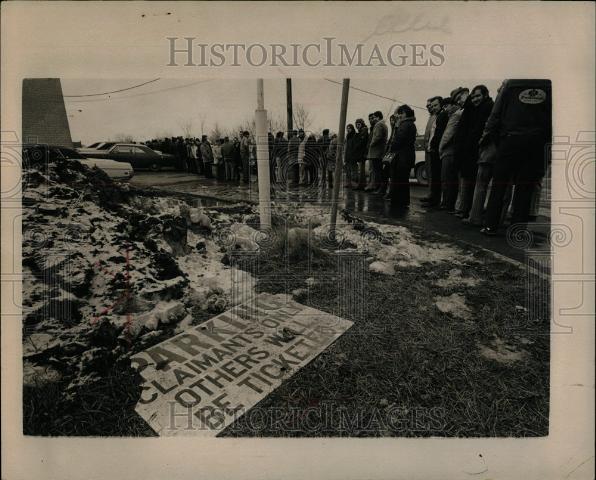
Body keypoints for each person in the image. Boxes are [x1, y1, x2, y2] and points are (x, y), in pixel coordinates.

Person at [480, 79, 552, 235]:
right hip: (537, 143)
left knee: (499, 185)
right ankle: (517, 230)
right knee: (525, 188)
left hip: (510, 140)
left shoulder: (510, 85)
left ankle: (491, 225)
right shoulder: (549, 86)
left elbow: (495, 116)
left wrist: (497, 140)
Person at [455, 85, 494, 220]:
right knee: (469, 181)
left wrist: (474, 144)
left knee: (472, 183)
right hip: (470, 150)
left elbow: (478, 130)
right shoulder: (474, 108)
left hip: (475, 150)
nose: (475, 99)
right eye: (473, 97)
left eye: (478, 96)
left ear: (485, 95)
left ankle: (467, 211)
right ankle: (465, 210)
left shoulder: (485, 108)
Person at [388, 105, 417, 206]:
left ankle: (398, 203)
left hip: (402, 157)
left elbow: (398, 140)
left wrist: (396, 126)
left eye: (401, 113)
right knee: (403, 180)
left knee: (399, 180)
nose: (399, 116)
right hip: (406, 156)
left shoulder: (404, 124)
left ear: (405, 113)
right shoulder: (410, 124)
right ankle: (403, 202)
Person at [438, 97, 464, 212]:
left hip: (449, 151)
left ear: (453, 105)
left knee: (447, 178)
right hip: (455, 151)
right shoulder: (459, 114)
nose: (445, 109)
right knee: (451, 179)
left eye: (446, 106)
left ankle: (447, 204)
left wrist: (440, 148)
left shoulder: (455, 116)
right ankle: (449, 204)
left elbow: (447, 135)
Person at [421, 97, 441, 203]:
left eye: (431, 106)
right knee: (429, 172)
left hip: (432, 149)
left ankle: (432, 195)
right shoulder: (431, 117)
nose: (429, 108)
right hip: (427, 149)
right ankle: (430, 193)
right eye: (428, 106)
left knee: (433, 173)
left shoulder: (436, 116)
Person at [365, 111, 388, 193]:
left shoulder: (379, 125)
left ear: (378, 117)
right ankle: (379, 188)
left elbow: (377, 137)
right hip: (379, 151)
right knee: (378, 171)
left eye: (374, 117)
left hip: (376, 152)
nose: (373, 119)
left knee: (378, 171)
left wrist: (371, 144)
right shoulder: (383, 124)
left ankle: (379, 189)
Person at [353, 118, 369, 189]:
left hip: (362, 152)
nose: (357, 126)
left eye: (359, 124)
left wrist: (356, 146)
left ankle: (361, 185)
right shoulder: (361, 131)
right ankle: (362, 184)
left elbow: (361, 142)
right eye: (356, 125)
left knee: (361, 169)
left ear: (362, 124)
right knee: (361, 169)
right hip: (361, 152)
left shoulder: (364, 130)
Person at [344, 124, 358, 188]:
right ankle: (348, 183)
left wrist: (354, 155)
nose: (348, 129)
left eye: (349, 128)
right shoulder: (347, 136)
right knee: (348, 170)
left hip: (353, 155)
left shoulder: (355, 135)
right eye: (347, 128)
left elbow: (355, 146)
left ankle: (354, 183)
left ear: (352, 128)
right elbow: (346, 147)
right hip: (348, 155)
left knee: (353, 170)